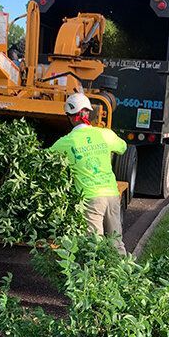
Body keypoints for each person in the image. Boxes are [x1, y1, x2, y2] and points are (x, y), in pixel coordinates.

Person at [52, 93, 127, 254]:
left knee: (94, 247)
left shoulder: (66, 142)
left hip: (91, 198)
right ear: (88, 113)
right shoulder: (105, 134)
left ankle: (96, 278)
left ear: (71, 117)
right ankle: (121, 275)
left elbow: (47, 159)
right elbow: (123, 147)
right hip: (112, 195)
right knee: (116, 244)